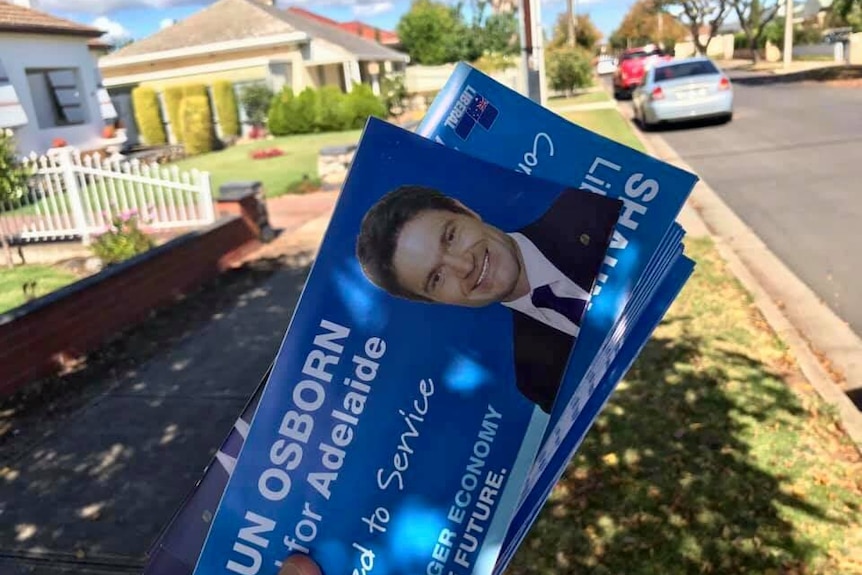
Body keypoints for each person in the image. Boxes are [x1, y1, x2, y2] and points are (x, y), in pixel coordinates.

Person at [355, 185, 622, 413]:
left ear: (466, 211)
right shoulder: (535, 378)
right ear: (435, 301)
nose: (463, 266)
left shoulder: (588, 209)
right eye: (436, 278)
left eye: (450, 237)